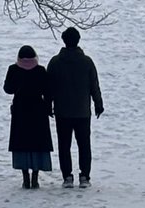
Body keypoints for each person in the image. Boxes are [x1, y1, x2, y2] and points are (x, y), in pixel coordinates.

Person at [47, 27, 104, 188]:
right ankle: (85, 176)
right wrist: (98, 104)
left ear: (64, 41)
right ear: (78, 40)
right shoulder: (87, 62)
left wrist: (48, 105)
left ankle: (67, 177)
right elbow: (94, 86)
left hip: (62, 111)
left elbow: (49, 87)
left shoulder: (55, 62)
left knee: (64, 145)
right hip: (82, 111)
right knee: (84, 145)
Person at [4, 44, 54, 189]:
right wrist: (48, 107)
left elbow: (8, 89)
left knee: (22, 143)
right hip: (38, 110)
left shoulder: (13, 69)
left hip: (20, 110)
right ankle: (35, 177)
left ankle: (25, 177)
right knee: (37, 143)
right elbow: (48, 90)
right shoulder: (40, 70)